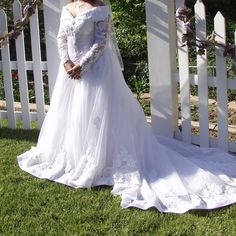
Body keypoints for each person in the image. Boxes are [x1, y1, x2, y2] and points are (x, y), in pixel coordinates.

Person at [17, 0, 236, 214]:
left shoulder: (99, 9)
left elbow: (101, 43)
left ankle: (102, 159)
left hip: (95, 71)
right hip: (70, 73)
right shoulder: (67, 8)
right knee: (74, 115)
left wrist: (81, 65)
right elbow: (61, 38)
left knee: (99, 116)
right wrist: (67, 63)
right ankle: (77, 155)